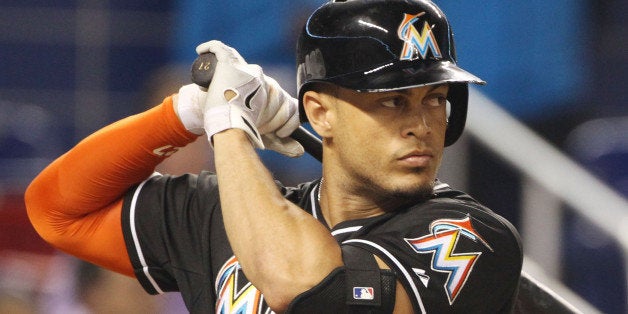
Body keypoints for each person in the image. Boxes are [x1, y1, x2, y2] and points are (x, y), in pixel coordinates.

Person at [25, 0, 523, 313]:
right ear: (319, 113)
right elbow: (55, 211)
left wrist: (229, 129)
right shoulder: (220, 216)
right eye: (392, 101)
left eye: (434, 98)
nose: (422, 123)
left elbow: (306, 289)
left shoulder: (468, 233)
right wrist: (185, 113)